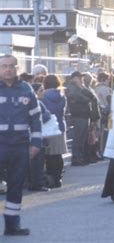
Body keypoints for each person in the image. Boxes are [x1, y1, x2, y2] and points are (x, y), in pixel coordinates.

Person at [0, 55, 42, 236]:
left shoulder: (26, 90)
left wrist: (36, 143)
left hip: (19, 146)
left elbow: (36, 118)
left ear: (17, 68)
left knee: (16, 187)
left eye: (11, 66)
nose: (8, 69)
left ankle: (12, 226)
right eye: (4, 66)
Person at [42, 74, 68, 188]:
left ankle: (51, 178)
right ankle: (58, 178)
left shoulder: (43, 96)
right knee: (58, 154)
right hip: (60, 125)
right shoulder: (62, 95)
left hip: (48, 127)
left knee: (49, 155)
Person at [66, 71, 94, 166]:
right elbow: (84, 98)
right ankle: (76, 158)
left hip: (84, 115)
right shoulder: (72, 88)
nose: (81, 79)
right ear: (74, 78)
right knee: (78, 138)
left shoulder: (80, 87)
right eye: (79, 77)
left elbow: (91, 96)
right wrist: (83, 91)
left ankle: (80, 157)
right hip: (78, 115)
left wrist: (82, 87)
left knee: (82, 138)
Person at [28, 83, 50, 192]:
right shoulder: (37, 103)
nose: (43, 92)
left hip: (27, 135)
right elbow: (43, 117)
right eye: (41, 90)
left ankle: (31, 182)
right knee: (37, 161)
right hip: (36, 136)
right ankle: (37, 183)